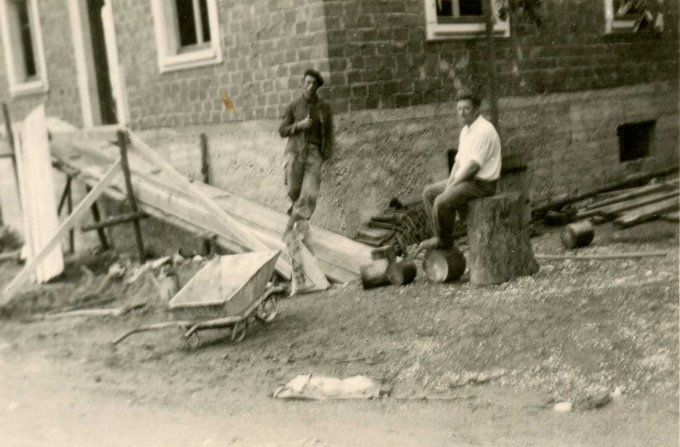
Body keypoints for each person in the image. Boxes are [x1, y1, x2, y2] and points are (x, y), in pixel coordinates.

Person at [419, 89, 501, 251]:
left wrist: (452, 186)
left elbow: (472, 167)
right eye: (459, 109)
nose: (462, 113)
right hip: (468, 180)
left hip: (482, 184)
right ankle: (440, 236)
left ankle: (445, 243)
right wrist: (450, 184)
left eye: (466, 108)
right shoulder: (466, 131)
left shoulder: (484, 130)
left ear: (477, 109)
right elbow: (458, 163)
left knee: (441, 201)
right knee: (429, 193)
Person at [278, 68, 334, 236]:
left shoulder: (324, 108)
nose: (310, 86)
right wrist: (299, 125)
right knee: (293, 192)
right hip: (295, 152)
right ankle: (301, 226)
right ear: (302, 84)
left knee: (308, 195)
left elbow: (329, 134)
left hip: (314, 155)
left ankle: (288, 231)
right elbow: (282, 130)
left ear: (318, 87)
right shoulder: (293, 106)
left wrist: (325, 155)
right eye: (307, 82)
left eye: (314, 84)